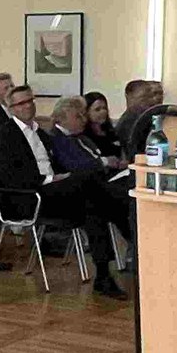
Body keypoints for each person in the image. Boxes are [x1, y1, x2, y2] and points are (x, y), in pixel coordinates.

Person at [0, 86, 125, 297]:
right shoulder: (2, 135)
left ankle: (103, 274)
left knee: (94, 206)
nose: (27, 106)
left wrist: (61, 177)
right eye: (20, 103)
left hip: (56, 193)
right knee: (93, 183)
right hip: (28, 197)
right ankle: (130, 233)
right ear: (11, 108)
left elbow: (58, 165)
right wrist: (52, 179)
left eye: (29, 101)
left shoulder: (41, 133)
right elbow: (10, 177)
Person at [46, 97, 130, 297]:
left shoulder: (82, 138)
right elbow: (76, 168)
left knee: (109, 202)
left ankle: (109, 269)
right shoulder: (58, 140)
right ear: (60, 119)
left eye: (83, 115)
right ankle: (132, 248)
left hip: (98, 188)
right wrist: (103, 163)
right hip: (71, 196)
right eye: (78, 116)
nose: (83, 119)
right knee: (101, 208)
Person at [111, 79, 165, 157]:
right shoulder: (130, 121)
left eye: (151, 97)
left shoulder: (146, 118)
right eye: (144, 98)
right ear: (130, 98)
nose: (151, 101)